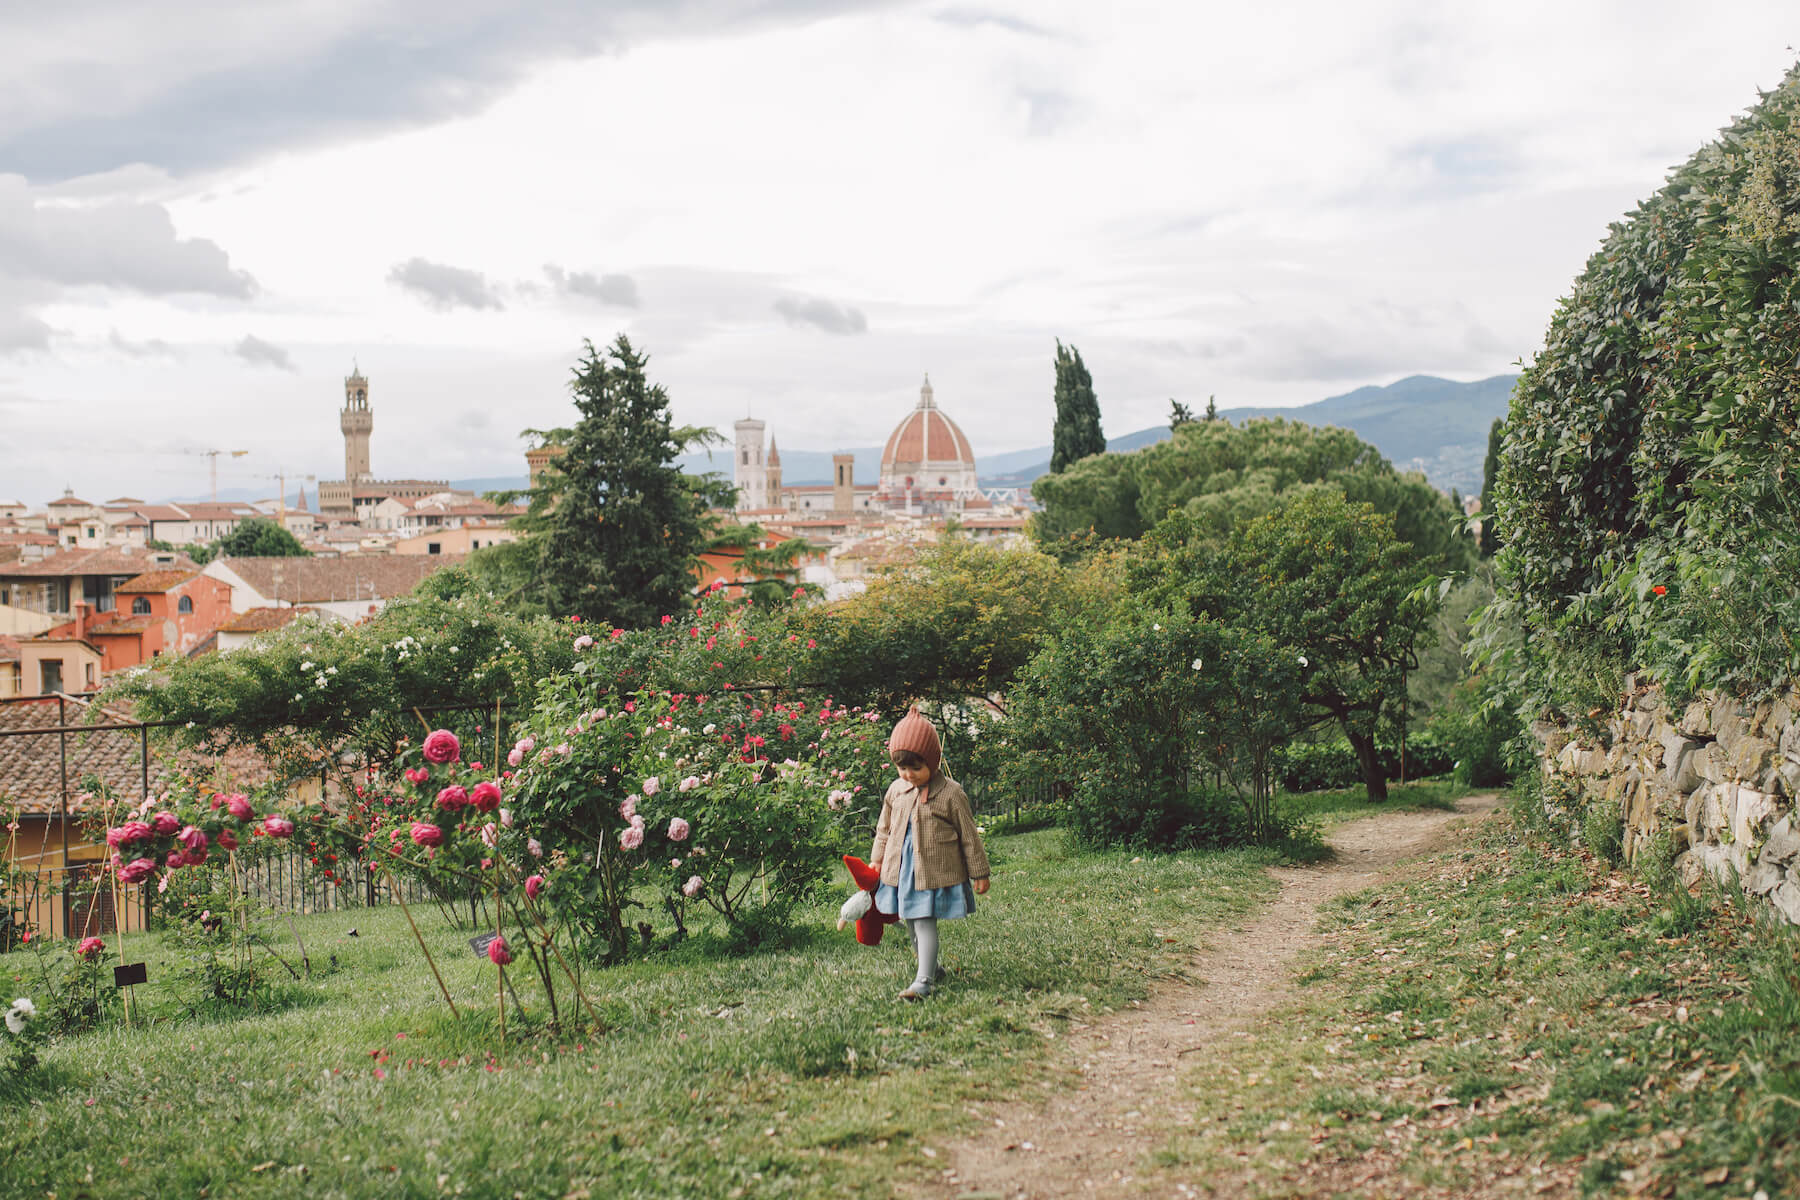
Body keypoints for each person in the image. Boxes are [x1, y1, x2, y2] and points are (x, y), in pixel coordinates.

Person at [868, 708, 991, 1000]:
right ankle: (932, 967)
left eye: (915, 768)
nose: (908, 775)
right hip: (902, 872)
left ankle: (923, 981)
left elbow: (969, 836)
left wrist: (980, 872)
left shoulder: (950, 794)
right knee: (910, 920)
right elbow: (883, 828)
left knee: (923, 921)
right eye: (902, 769)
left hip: (932, 873)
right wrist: (877, 858)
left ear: (933, 762)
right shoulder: (896, 791)